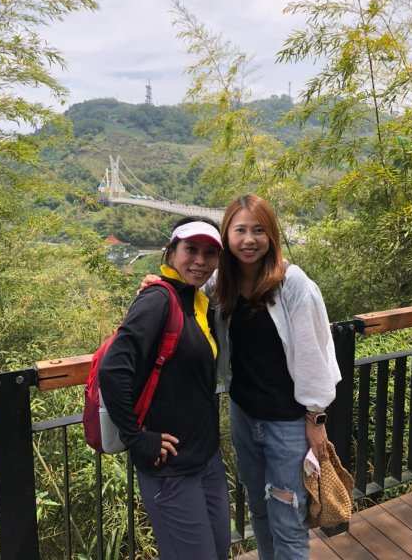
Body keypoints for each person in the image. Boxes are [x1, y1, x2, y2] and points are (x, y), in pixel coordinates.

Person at [210, 194, 341, 560]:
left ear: (271, 237)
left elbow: (314, 355)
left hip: (286, 424)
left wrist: (316, 418)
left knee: (288, 519)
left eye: (258, 230)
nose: (249, 239)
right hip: (244, 414)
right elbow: (186, 292)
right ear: (227, 236)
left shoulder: (292, 283)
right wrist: (157, 284)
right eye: (240, 230)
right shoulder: (224, 284)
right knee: (260, 508)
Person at [99, 217, 231, 560]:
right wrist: (136, 437)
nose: (200, 261)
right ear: (171, 252)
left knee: (218, 550)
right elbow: (112, 370)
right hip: (171, 469)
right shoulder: (157, 300)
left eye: (209, 253)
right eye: (190, 250)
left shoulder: (199, 301)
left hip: (206, 460)